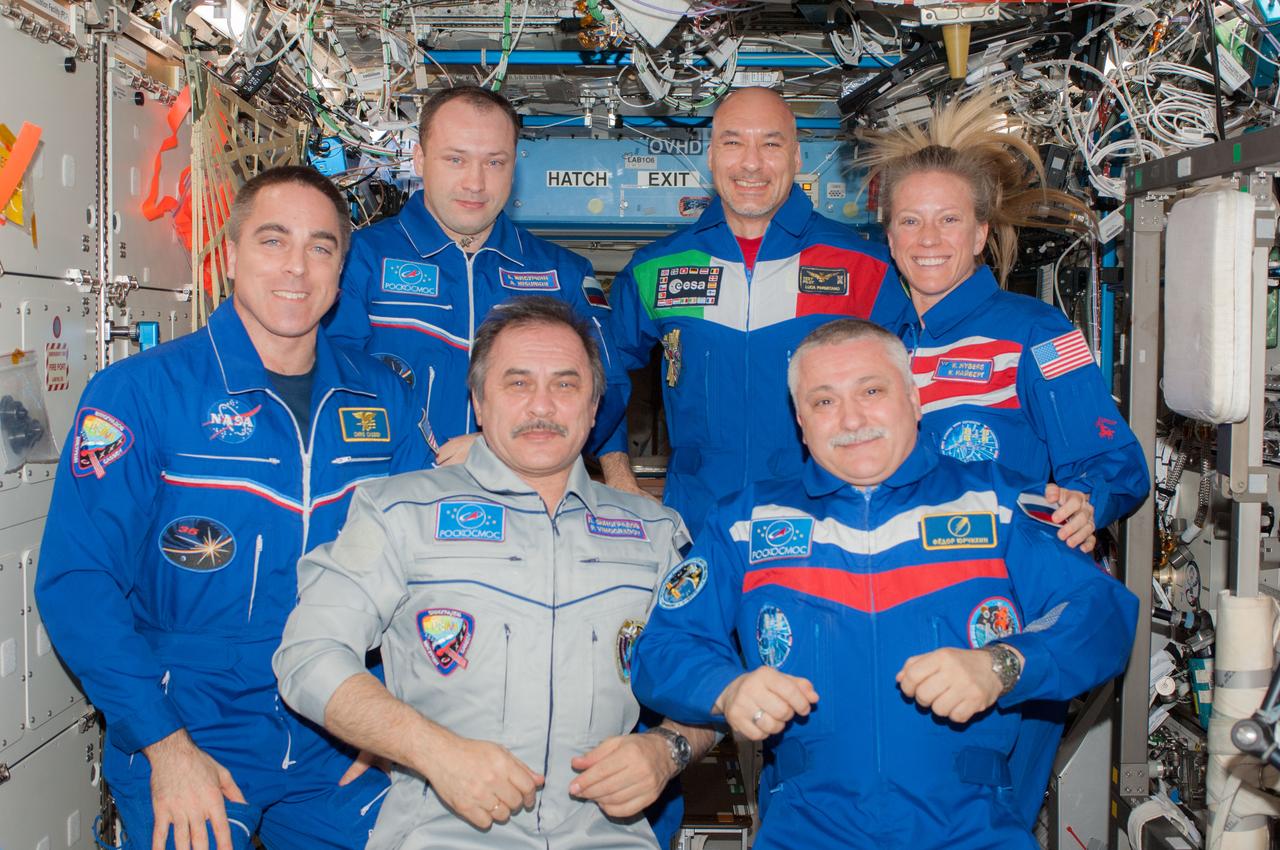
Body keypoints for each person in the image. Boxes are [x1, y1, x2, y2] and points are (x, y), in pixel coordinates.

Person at [34, 165, 432, 850]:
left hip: (338, 727)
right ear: (230, 256)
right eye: (273, 241)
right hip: (190, 724)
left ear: (342, 268)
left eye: (321, 247)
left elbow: (428, 572)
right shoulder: (139, 393)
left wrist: (396, 717)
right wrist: (163, 744)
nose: (297, 269)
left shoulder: (384, 398)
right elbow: (78, 583)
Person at [629, 319, 1138, 850]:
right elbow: (663, 649)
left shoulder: (998, 503)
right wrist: (727, 688)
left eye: (872, 391)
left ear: (914, 400)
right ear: (801, 420)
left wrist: (1002, 665)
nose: (851, 419)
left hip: (976, 831)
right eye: (824, 402)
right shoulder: (746, 522)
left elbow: (1101, 613)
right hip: (806, 831)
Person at [274, 296, 716, 850]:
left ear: (594, 403)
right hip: (444, 835)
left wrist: (668, 749)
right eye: (516, 383)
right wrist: (433, 751)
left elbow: (714, 681)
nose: (542, 406)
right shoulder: (396, 512)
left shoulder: (653, 533)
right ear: (479, 402)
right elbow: (308, 656)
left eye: (565, 384)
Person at [857, 91, 1151, 825]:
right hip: (881, 611)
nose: (929, 238)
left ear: (982, 232)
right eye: (910, 220)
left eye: (949, 219)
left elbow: (1116, 463)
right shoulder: (867, 343)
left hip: (999, 623)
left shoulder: (1035, 331)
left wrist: (1091, 501)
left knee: (982, 822)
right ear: (888, 236)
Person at [599, 86, 910, 536]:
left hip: (827, 531)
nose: (751, 163)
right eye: (733, 142)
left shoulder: (864, 265)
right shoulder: (657, 267)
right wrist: (618, 476)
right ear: (710, 156)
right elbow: (598, 370)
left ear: (798, 157)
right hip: (698, 531)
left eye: (770, 143)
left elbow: (919, 390)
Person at [324, 85, 628, 463]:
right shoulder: (358, 260)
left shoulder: (562, 273)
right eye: (455, 159)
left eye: (494, 162)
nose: (475, 183)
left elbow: (607, 391)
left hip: (522, 503)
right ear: (419, 159)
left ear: (515, 165)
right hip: (394, 499)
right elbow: (328, 388)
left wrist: (504, 450)